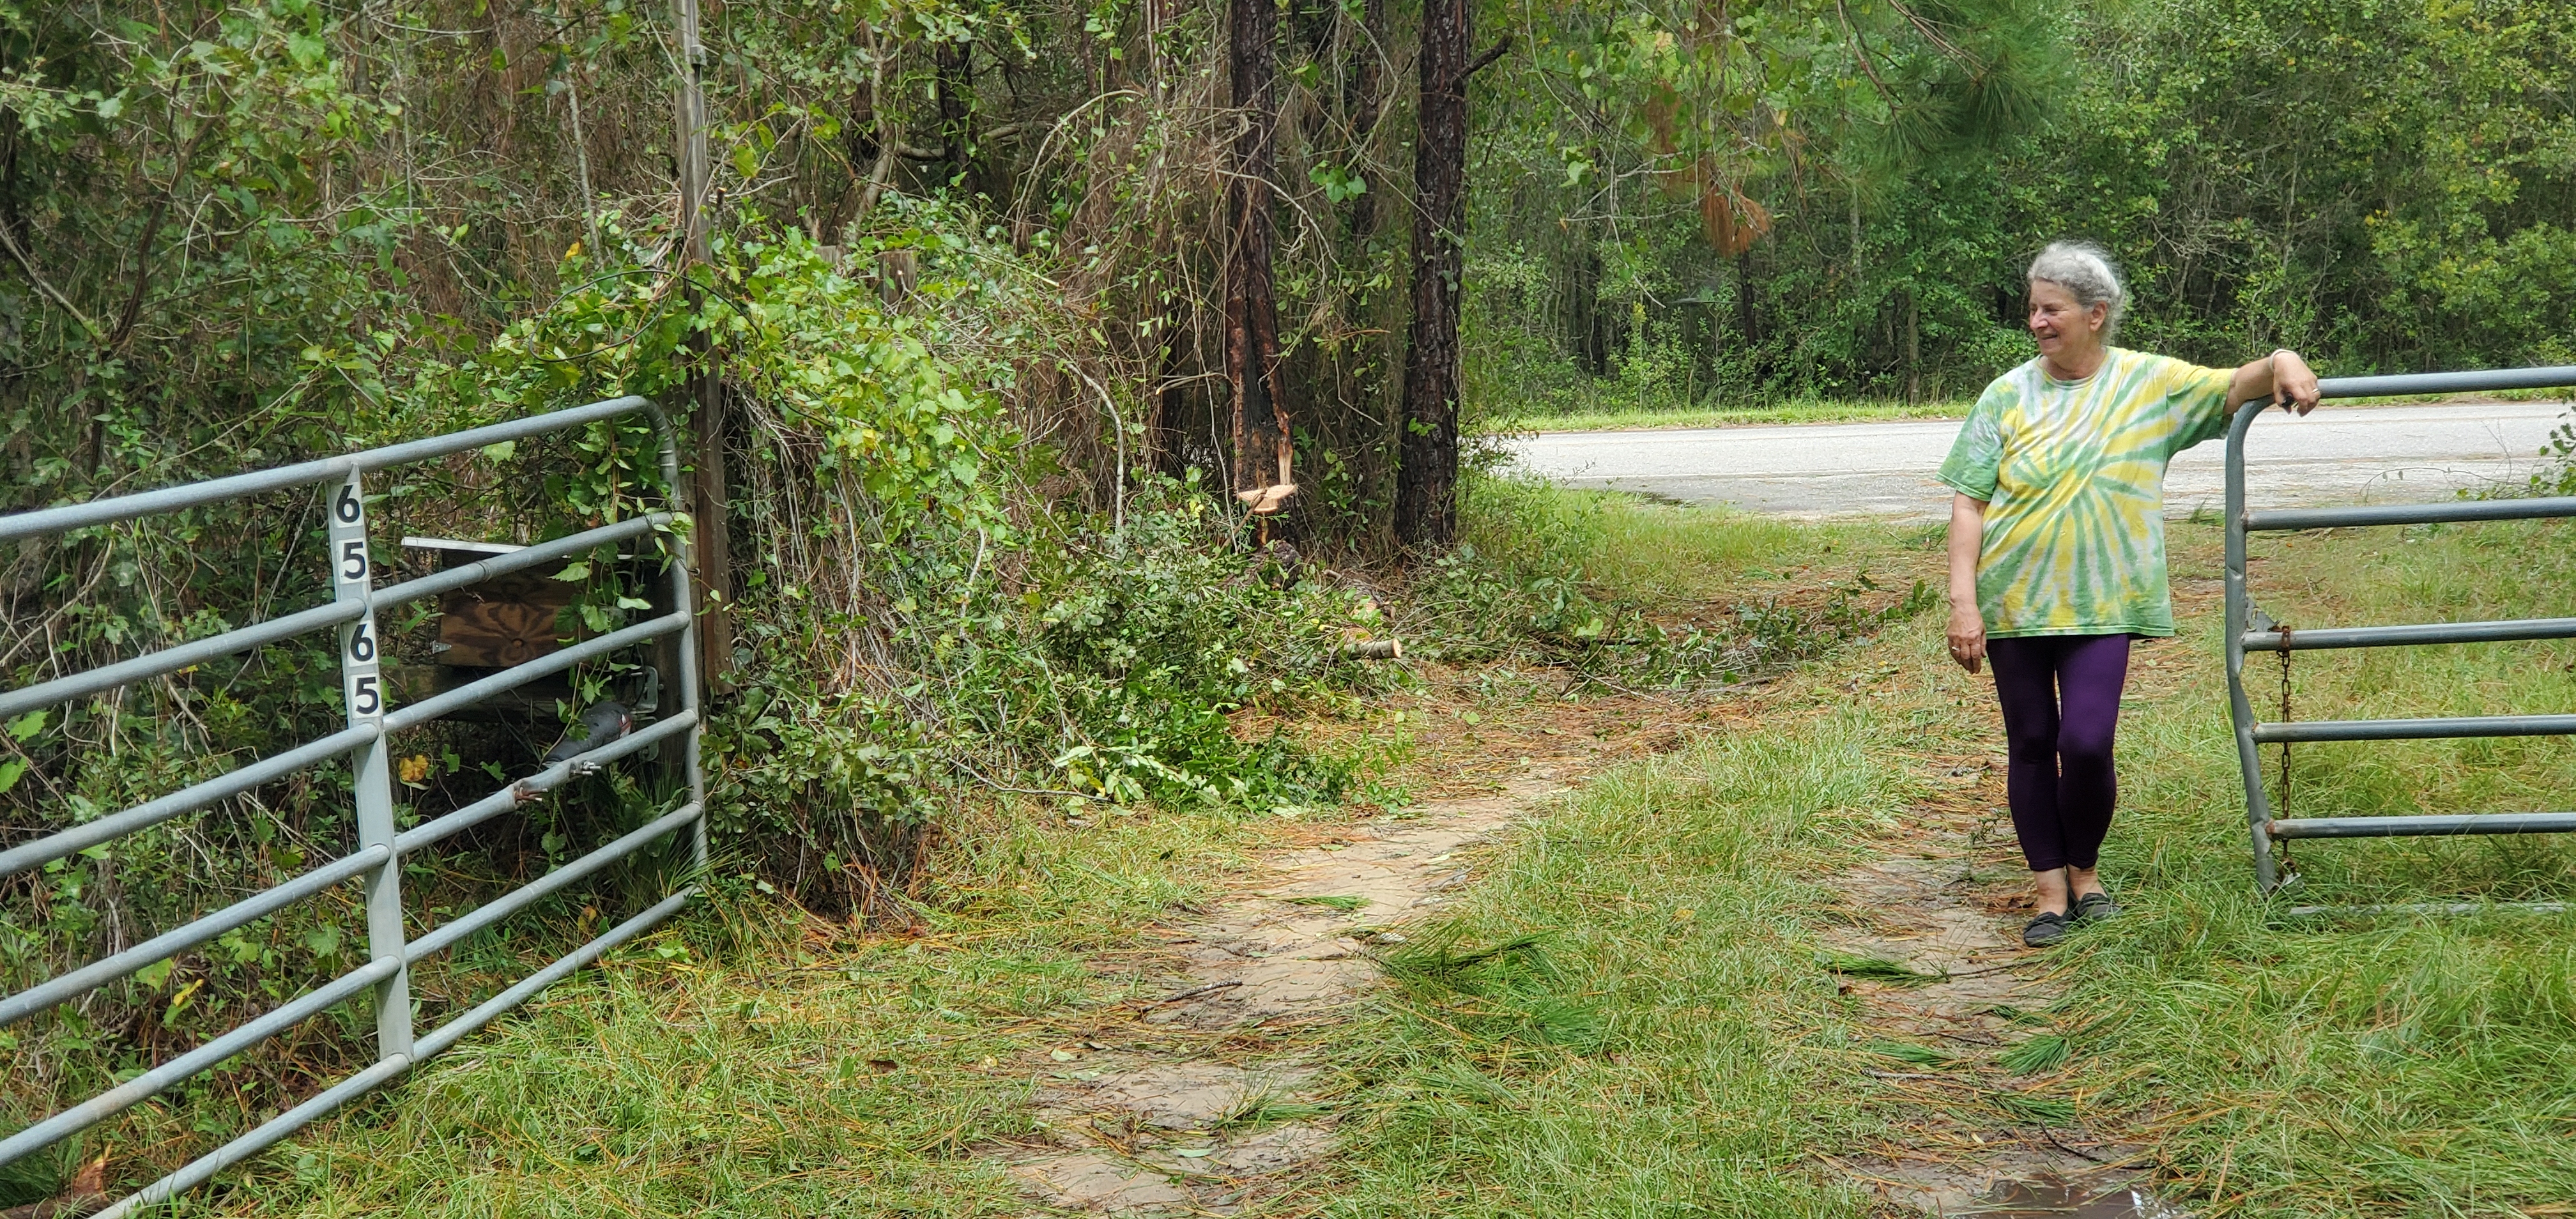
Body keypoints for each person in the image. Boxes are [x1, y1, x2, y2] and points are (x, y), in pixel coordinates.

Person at [1939, 240, 2320, 947]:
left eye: (2051, 309)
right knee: (2030, 741)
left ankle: (2086, 874)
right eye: (2033, 309)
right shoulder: (2006, 394)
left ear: (2096, 313)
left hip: (2104, 601)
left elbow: (2236, 384)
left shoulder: (2150, 386)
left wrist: (2286, 361)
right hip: (2014, 603)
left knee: (2086, 742)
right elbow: (1969, 502)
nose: (2037, 323)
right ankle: (2051, 892)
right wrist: (1964, 602)